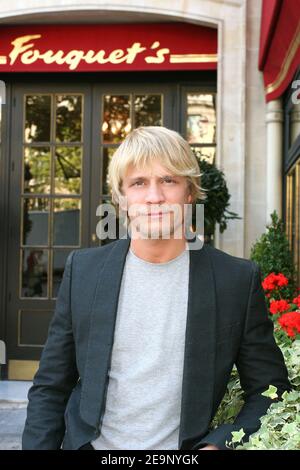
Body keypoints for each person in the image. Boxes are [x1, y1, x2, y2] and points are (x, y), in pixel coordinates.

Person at [22, 126, 291, 450]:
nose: (154, 196)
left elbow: (270, 389)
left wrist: (219, 444)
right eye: (139, 183)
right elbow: (51, 387)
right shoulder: (85, 272)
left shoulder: (235, 280)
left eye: (168, 180)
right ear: (121, 198)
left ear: (189, 192)